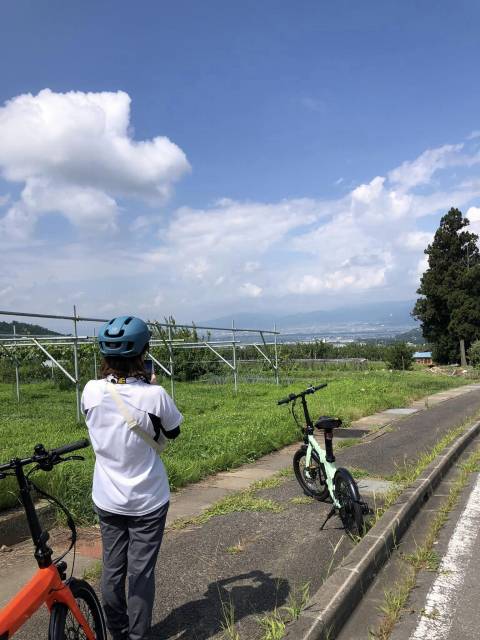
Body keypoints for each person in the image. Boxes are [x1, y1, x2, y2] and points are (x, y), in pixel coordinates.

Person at [81, 316, 182, 640]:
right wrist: (149, 385)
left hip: (108, 499)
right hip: (148, 501)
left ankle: (118, 632)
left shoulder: (91, 391)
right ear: (143, 353)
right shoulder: (155, 396)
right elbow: (173, 432)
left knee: (112, 570)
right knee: (140, 575)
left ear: (105, 356)